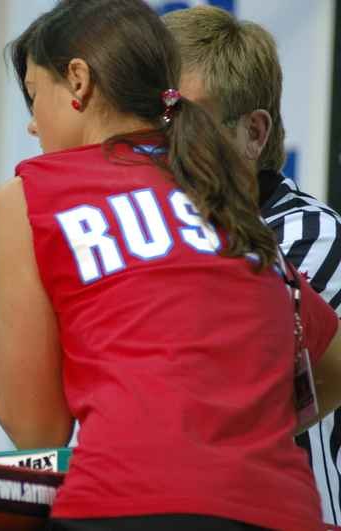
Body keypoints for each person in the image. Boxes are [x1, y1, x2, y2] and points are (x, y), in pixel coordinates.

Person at [0, 0, 341, 529]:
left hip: (128, 504)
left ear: (78, 81)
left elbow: (37, 430)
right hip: (285, 510)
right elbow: (331, 368)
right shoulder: (218, 188)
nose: (31, 126)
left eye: (34, 98)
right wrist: (226, 434)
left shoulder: (33, 194)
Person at [162, 6, 341, 525]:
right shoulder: (140, 230)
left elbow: (231, 399)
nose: (156, 146)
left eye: (182, 120)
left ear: (254, 133)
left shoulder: (312, 235)